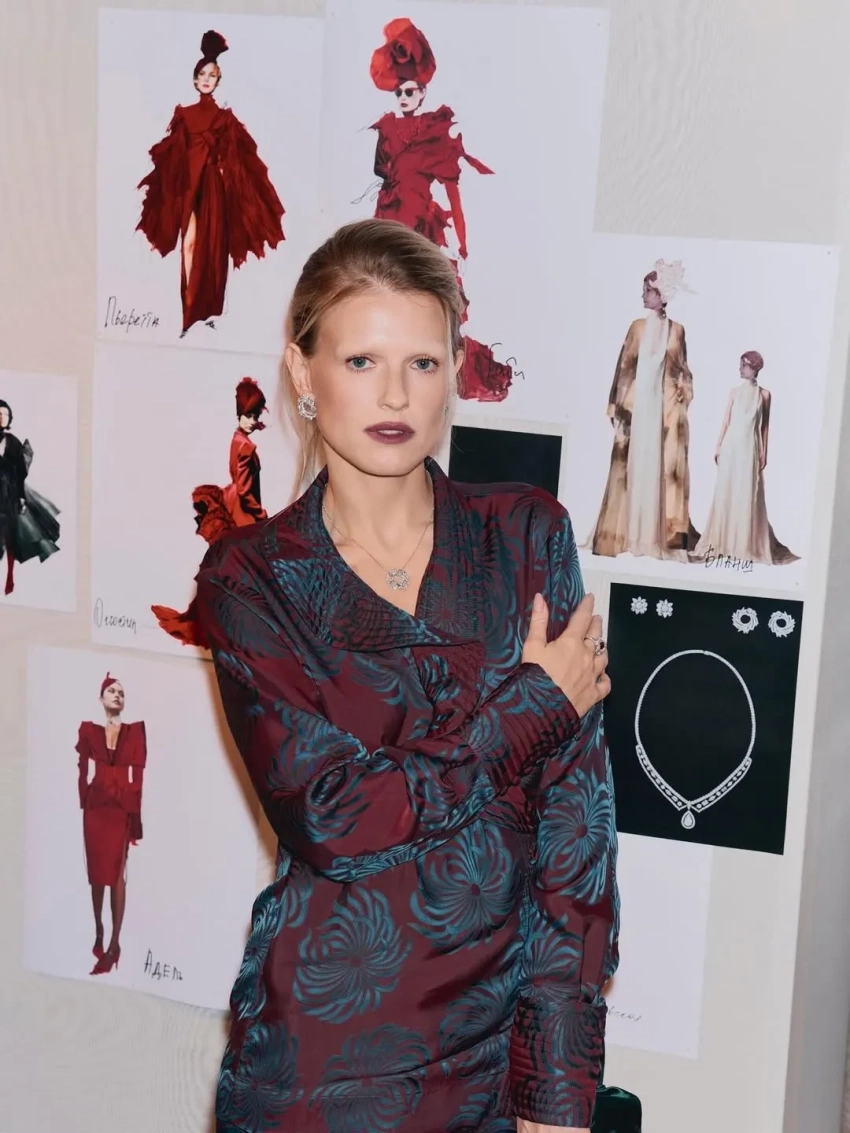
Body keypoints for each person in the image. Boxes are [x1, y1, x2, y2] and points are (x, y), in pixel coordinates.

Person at [195, 218, 619, 1133]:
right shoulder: (250, 580)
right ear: (303, 372)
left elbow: (576, 835)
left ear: (455, 369)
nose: (396, 394)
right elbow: (335, 818)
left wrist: (557, 1087)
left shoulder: (526, 536)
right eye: (361, 361)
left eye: (423, 363)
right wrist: (531, 708)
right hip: (320, 1073)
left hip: (494, 1069)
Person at [368, 18, 514, 403]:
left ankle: (430, 376)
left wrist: (461, 244)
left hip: (421, 227)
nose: (403, 97)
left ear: (423, 92)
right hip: (388, 222)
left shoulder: (435, 134)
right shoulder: (386, 130)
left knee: (428, 304)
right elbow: (382, 172)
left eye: (410, 91)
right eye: (398, 92)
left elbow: (452, 192)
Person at [137, 30, 285, 338]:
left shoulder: (225, 118)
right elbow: (173, 155)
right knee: (189, 244)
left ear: (218, 80)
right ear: (195, 80)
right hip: (188, 188)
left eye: (212, 75)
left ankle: (208, 311)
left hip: (213, 189)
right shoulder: (184, 115)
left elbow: (240, 157)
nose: (207, 79)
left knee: (215, 247)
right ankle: (190, 310)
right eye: (202, 75)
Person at [587, 261, 699, 560]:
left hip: (661, 409)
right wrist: (616, 406)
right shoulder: (637, 327)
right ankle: (627, 536)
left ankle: (652, 537)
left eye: (648, 291)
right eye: (644, 290)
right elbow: (624, 367)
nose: (643, 295)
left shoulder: (677, 331)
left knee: (657, 467)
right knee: (632, 463)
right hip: (637, 406)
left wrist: (681, 398)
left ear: (662, 295)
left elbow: (683, 371)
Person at [152, 377, 269, 647]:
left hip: (235, 503)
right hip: (243, 511)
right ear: (239, 414)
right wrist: (261, 515)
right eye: (247, 415)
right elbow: (246, 490)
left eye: (255, 415)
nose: (252, 421)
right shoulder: (246, 446)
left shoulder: (237, 438)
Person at [693, 350, 798, 565]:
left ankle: (743, 545)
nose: (740, 369)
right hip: (731, 448)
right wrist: (718, 445)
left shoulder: (765, 395)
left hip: (750, 448)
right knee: (727, 491)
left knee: (746, 492)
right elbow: (726, 420)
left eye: (743, 365)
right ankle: (724, 542)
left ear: (753, 368)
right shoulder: (734, 392)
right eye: (740, 365)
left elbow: (765, 427)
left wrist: (764, 452)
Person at [76, 674, 146, 976]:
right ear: (101, 698)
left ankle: (115, 944)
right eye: (111, 691)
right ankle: (99, 930)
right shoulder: (89, 731)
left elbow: (138, 779)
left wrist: (136, 817)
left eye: (121, 692)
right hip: (95, 810)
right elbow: (82, 769)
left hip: (120, 809)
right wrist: (84, 800)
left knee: (117, 874)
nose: (117, 695)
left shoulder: (134, 732)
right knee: (96, 874)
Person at [0, 398, 60, 595]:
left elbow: (20, 474)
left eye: (5, 414)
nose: (2, 417)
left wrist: (21, 498)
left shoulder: (13, 442)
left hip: (9, 496)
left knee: (11, 537)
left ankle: (10, 577)